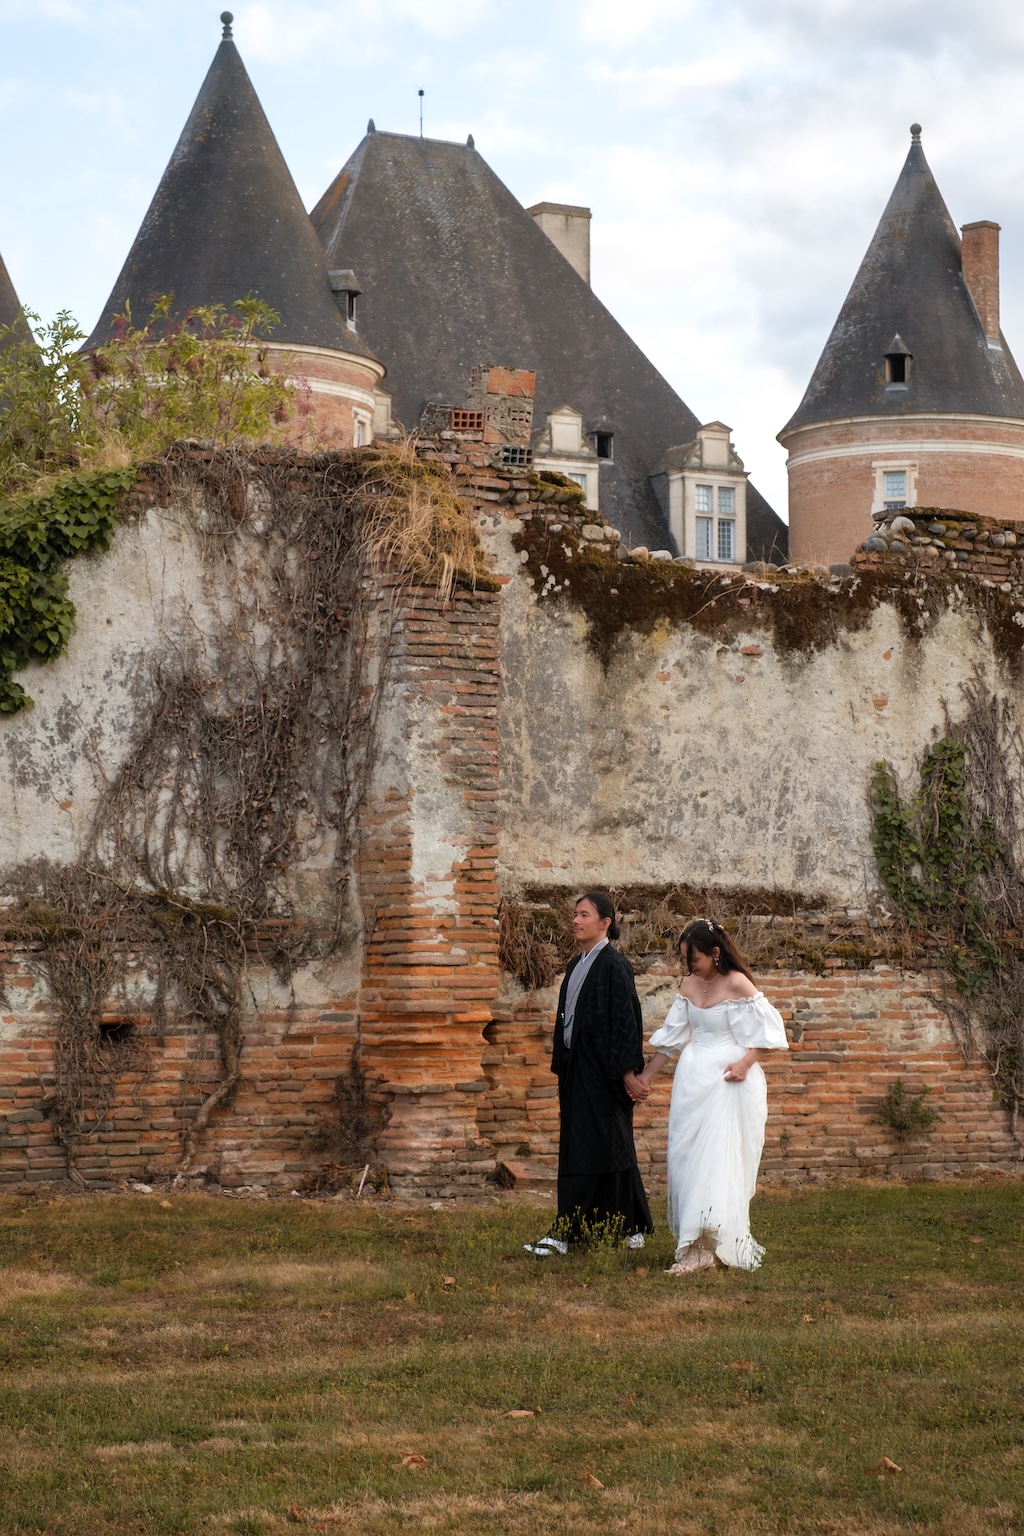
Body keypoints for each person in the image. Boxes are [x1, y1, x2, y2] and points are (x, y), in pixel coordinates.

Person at [638, 918, 788, 1273]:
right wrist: (645, 1076)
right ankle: (695, 1243)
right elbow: (673, 1039)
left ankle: (708, 1247)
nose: (690, 965)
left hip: (728, 1081)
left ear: (715, 953)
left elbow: (770, 1031)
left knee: (717, 1162)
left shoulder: (737, 983)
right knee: (688, 1158)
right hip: (693, 1081)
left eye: (695, 958)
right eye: (686, 958)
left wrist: (745, 1063)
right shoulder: (688, 984)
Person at [525, 891, 653, 1258]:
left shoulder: (614, 966)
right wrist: (563, 1065)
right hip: (578, 1070)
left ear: (605, 923)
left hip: (605, 1073)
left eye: (584, 914)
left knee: (600, 1147)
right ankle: (628, 1225)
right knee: (605, 1147)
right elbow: (568, 1017)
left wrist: (628, 1072)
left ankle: (564, 1233)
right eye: (575, 915)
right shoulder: (575, 964)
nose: (576, 921)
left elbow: (626, 1021)